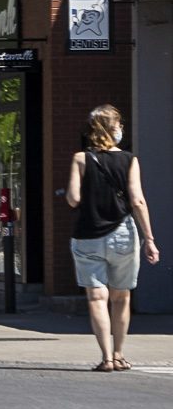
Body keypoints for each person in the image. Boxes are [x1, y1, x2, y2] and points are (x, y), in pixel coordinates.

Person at [66, 104, 159, 372]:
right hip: (122, 233)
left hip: (88, 235)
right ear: (114, 127)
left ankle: (105, 357)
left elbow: (73, 199)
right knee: (122, 297)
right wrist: (149, 239)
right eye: (119, 125)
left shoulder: (80, 159)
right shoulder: (130, 160)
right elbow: (138, 200)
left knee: (96, 298)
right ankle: (119, 354)